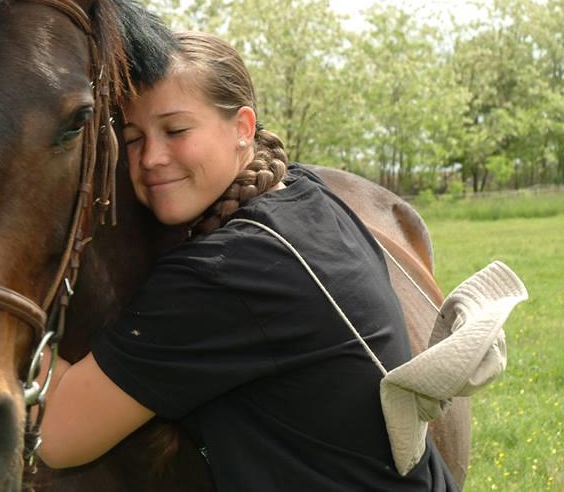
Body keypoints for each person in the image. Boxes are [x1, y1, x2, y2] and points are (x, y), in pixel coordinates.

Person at [37, 31, 459, 491]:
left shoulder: (229, 271)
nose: (151, 158)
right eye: (134, 138)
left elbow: (58, 435)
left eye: (176, 130)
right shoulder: (304, 194)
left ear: (242, 128)